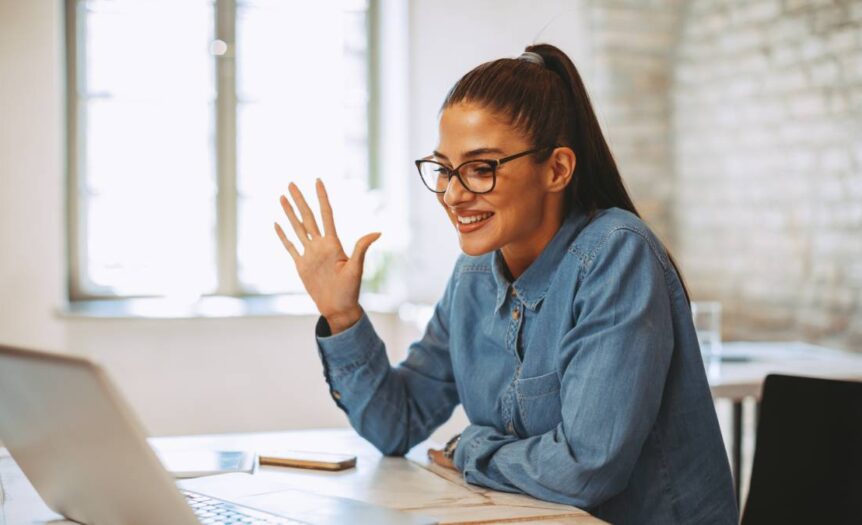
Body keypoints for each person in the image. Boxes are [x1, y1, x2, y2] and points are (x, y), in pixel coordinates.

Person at [274, 43, 738, 524]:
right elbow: (397, 423)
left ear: (557, 169)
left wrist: (473, 448)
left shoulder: (615, 254)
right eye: (444, 169)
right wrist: (342, 315)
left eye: (481, 168)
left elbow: (586, 468)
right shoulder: (473, 275)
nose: (453, 194)